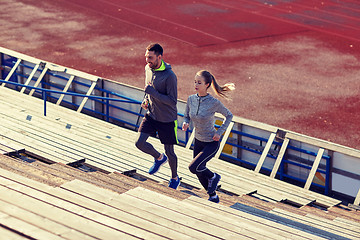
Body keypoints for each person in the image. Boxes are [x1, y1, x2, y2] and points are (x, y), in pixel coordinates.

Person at [182, 70, 234, 203]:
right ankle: (213, 196)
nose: (196, 84)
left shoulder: (213, 102)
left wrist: (219, 132)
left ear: (207, 85)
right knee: (199, 171)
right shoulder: (191, 99)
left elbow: (229, 115)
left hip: (211, 142)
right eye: (195, 82)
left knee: (193, 168)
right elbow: (187, 115)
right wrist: (185, 122)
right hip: (198, 141)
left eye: (199, 82)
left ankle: (214, 176)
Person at [135, 43, 180, 189]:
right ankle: (159, 158)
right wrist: (146, 100)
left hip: (167, 119)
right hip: (152, 114)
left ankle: (174, 178)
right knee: (139, 143)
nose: (147, 60)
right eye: (146, 57)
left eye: (151, 57)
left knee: (170, 151)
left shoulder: (170, 76)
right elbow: (149, 88)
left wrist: (153, 93)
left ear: (159, 57)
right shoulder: (148, 68)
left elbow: (172, 102)